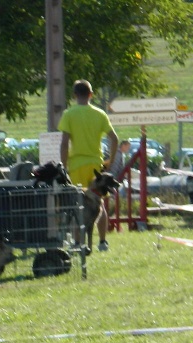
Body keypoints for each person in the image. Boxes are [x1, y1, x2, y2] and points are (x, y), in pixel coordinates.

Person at [58, 80, 119, 251]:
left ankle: (78, 243)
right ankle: (102, 242)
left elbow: (64, 143)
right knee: (99, 204)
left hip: (76, 165)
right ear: (91, 94)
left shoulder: (69, 114)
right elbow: (114, 138)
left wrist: (63, 166)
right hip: (96, 166)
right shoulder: (100, 114)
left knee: (78, 206)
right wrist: (111, 161)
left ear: (74, 95)